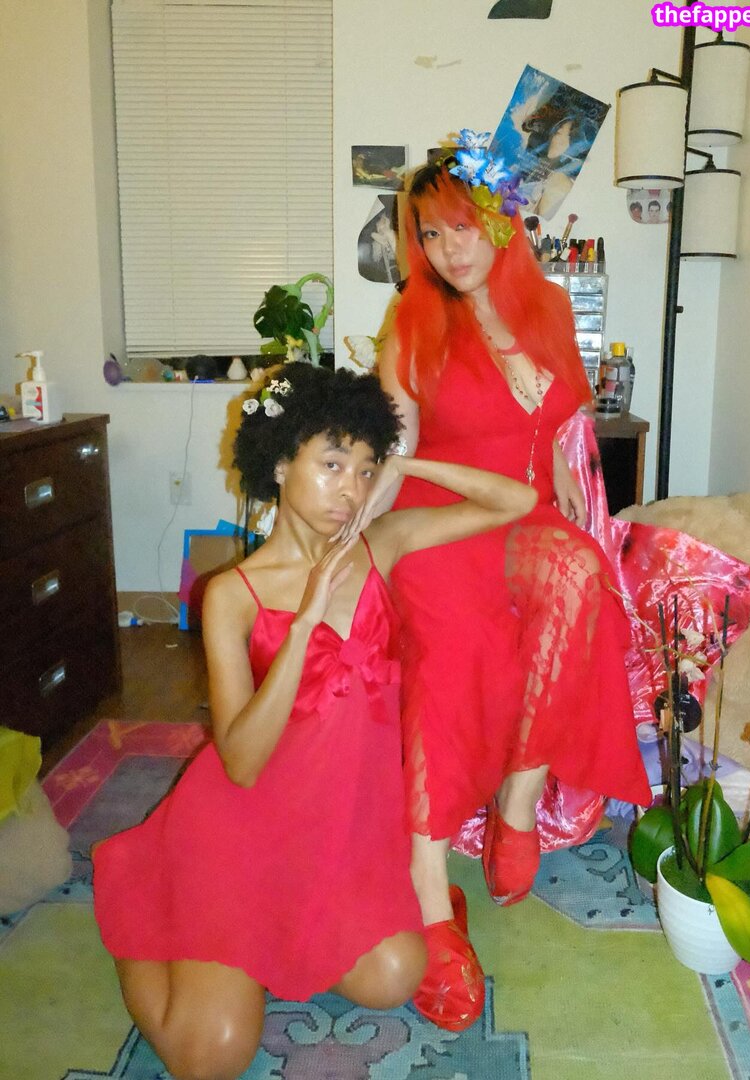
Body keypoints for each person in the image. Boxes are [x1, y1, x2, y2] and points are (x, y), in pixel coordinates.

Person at [92, 361, 537, 1080]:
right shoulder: (231, 595)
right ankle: (143, 903)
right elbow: (241, 762)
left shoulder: (379, 545)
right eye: (331, 464)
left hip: (337, 835)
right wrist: (302, 626)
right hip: (240, 831)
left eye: (363, 469)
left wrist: (403, 463)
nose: (350, 488)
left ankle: (273, 940)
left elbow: (516, 499)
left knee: (395, 976)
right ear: (279, 464)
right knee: (211, 1057)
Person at [340, 144, 652, 1033]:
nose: (449, 250)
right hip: (442, 519)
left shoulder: (546, 307)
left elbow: (560, 428)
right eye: (431, 235)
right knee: (456, 647)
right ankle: (430, 895)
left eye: (461, 228)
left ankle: (519, 800)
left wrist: (557, 471)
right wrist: (355, 539)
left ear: (500, 221)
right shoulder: (411, 320)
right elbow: (398, 448)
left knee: (580, 578)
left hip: (520, 515)